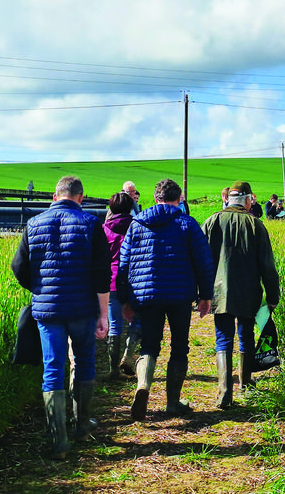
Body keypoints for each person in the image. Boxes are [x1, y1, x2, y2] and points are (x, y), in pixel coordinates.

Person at [11, 176, 111, 460]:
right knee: (83, 361)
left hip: (48, 310)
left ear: (55, 197)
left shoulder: (34, 224)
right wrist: (103, 313)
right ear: (81, 197)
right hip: (82, 308)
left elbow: (19, 266)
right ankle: (82, 425)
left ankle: (59, 441)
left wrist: (40, 289)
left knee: (53, 366)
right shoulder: (92, 224)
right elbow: (102, 273)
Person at [118, 179, 215, 421]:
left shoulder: (137, 224)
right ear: (179, 198)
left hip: (146, 294)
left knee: (150, 344)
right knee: (179, 345)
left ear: (155, 196)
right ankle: (173, 402)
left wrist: (125, 300)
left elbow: (123, 265)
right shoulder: (188, 224)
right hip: (180, 295)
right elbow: (203, 263)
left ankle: (143, 386)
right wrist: (206, 296)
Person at [200, 181, 280, 409]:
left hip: (219, 292)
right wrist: (273, 296)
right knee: (245, 336)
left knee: (223, 338)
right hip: (248, 292)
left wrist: (200, 292)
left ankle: (224, 392)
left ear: (228, 199)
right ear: (247, 200)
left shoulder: (212, 221)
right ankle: (245, 383)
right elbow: (267, 266)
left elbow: (200, 259)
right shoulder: (256, 225)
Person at [103, 192, 142, 379]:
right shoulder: (138, 227)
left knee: (114, 324)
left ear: (111, 208)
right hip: (135, 281)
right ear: (130, 208)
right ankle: (128, 355)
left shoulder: (103, 229)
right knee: (137, 320)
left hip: (111, 281)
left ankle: (113, 369)